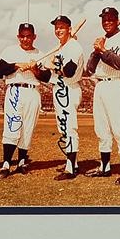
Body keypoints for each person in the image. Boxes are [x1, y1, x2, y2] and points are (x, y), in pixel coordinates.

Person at [85, 7, 120, 183]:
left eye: (111, 19)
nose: (107, 22)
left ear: (117, 20)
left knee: (119, 127)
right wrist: (96, 51)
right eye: (104, 19)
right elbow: (90, 68)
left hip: (117, 84)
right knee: (102, 129)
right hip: (101, 85)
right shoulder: (101, 40)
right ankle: (104, 166)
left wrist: (103, 51)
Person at [36, 15, 85, 181]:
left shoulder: (74, 47)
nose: (58, 30)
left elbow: (69, 70)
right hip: (60, 88)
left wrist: (54, 65)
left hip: (69, 89)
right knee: (64, 128)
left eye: (62, 26)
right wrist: (36, 69)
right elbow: (47, 75)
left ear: (70, 29)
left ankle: (71, 168)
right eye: (56, 27)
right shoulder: (62, 48)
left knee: (69, 128)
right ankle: (74, 163)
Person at [0, 23, 45, 178]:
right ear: (18, 36)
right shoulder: (10, 51)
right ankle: (6, 164)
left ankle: (22, 161)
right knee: (12, 125)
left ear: (34, 36)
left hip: (32, 91)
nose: (25, 39)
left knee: (28, 127)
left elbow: (46, 77)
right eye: (22, 36)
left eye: (28, 36)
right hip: (15, 89)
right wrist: (17, 65)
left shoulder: (40, 53)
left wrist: (34, 69)